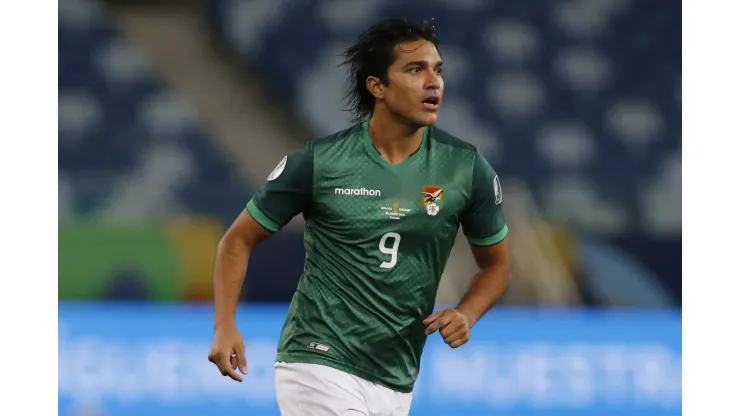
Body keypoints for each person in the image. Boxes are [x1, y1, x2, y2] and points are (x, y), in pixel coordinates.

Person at [208, 17, 511, 416]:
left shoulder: (465, 168)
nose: (433, 81)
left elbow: (497, 266)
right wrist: (224, 325)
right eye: (415, 69)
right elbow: (237, 239)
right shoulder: (320, 163)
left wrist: (466, 312)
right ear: (377, 86)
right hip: (317, 358)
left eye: (437, 70)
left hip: (396, 376)